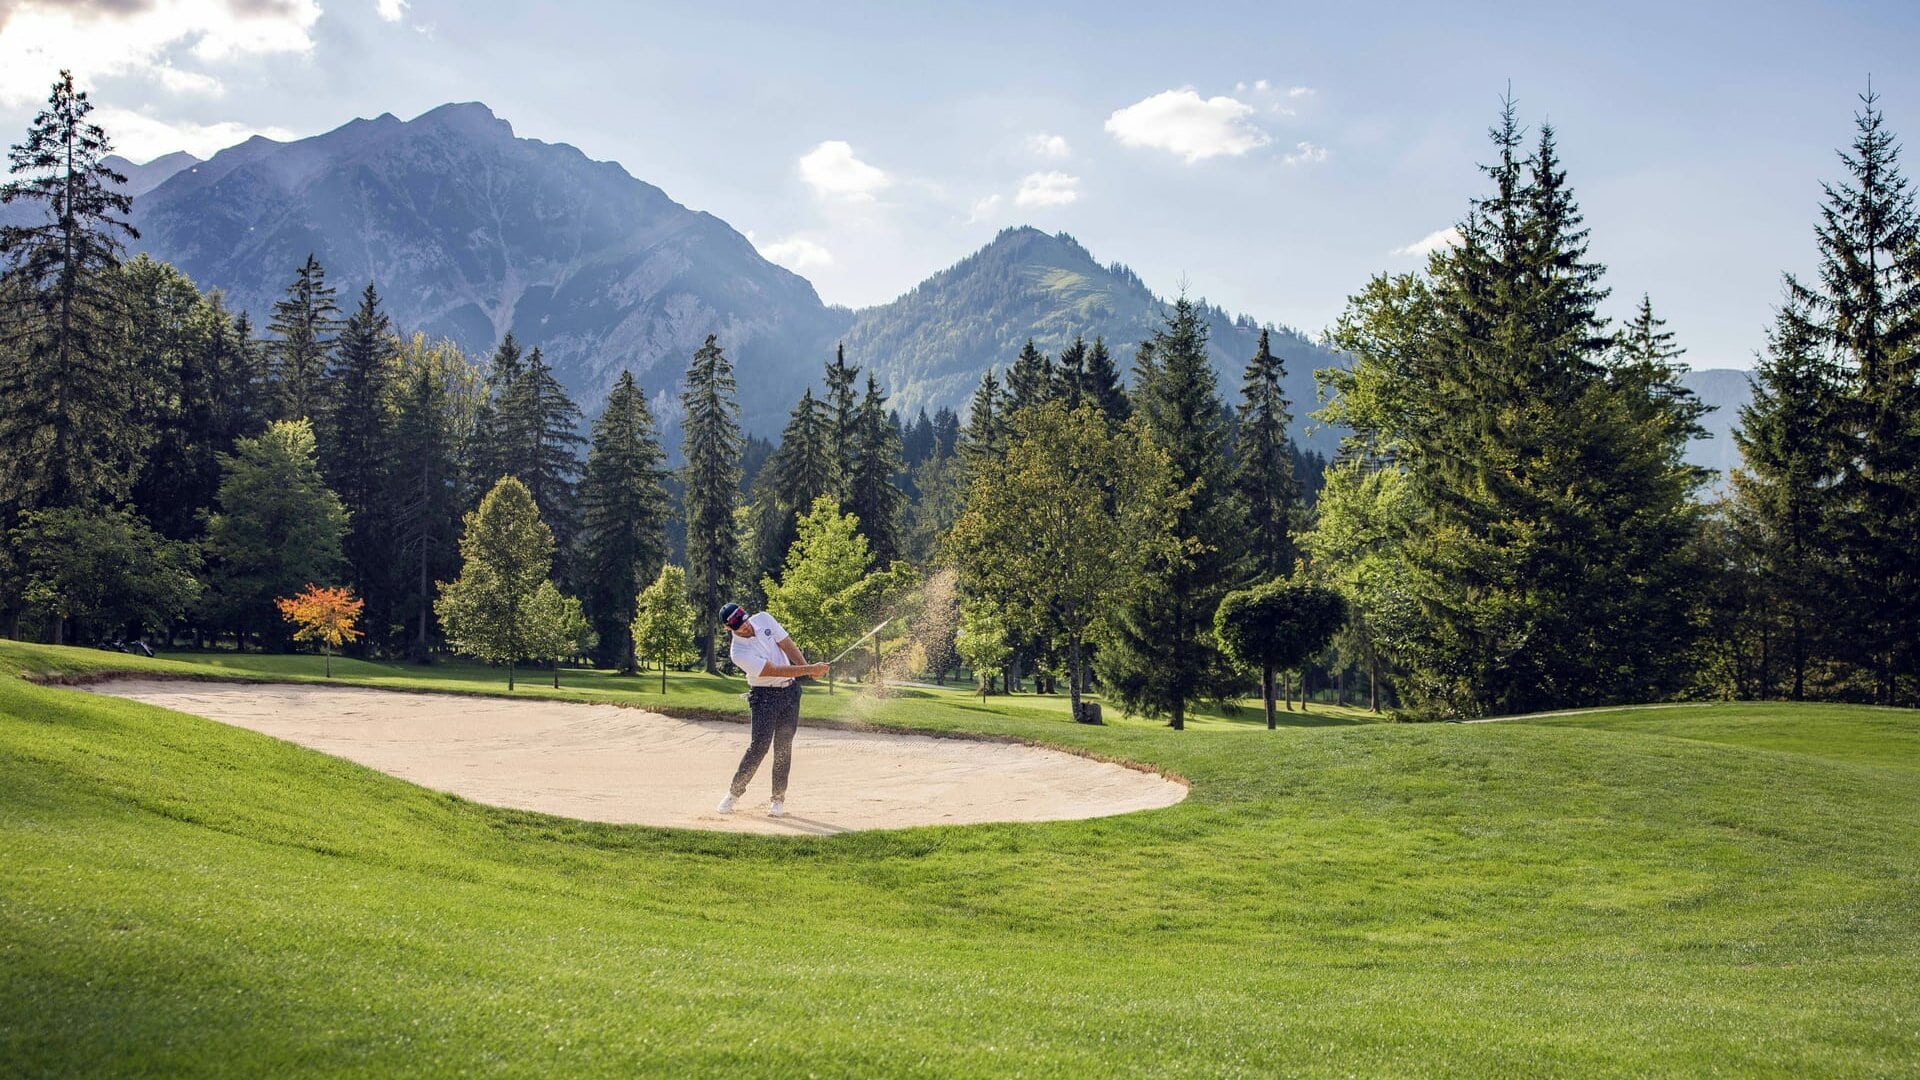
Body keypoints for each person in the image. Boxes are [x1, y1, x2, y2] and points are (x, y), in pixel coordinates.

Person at [715, 602, 828, 818]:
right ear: (729, 629)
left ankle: (778, 799)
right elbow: (773, 670)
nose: (746, 627)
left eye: (745, 621)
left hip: (790, 693)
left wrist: (808, 669)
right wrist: (809, 669)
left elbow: (787, 645)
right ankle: (733, 794)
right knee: (759, 747)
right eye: (739, 627)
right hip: (764, 696)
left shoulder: (764, 619)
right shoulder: (738, 652)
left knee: (783, 747)